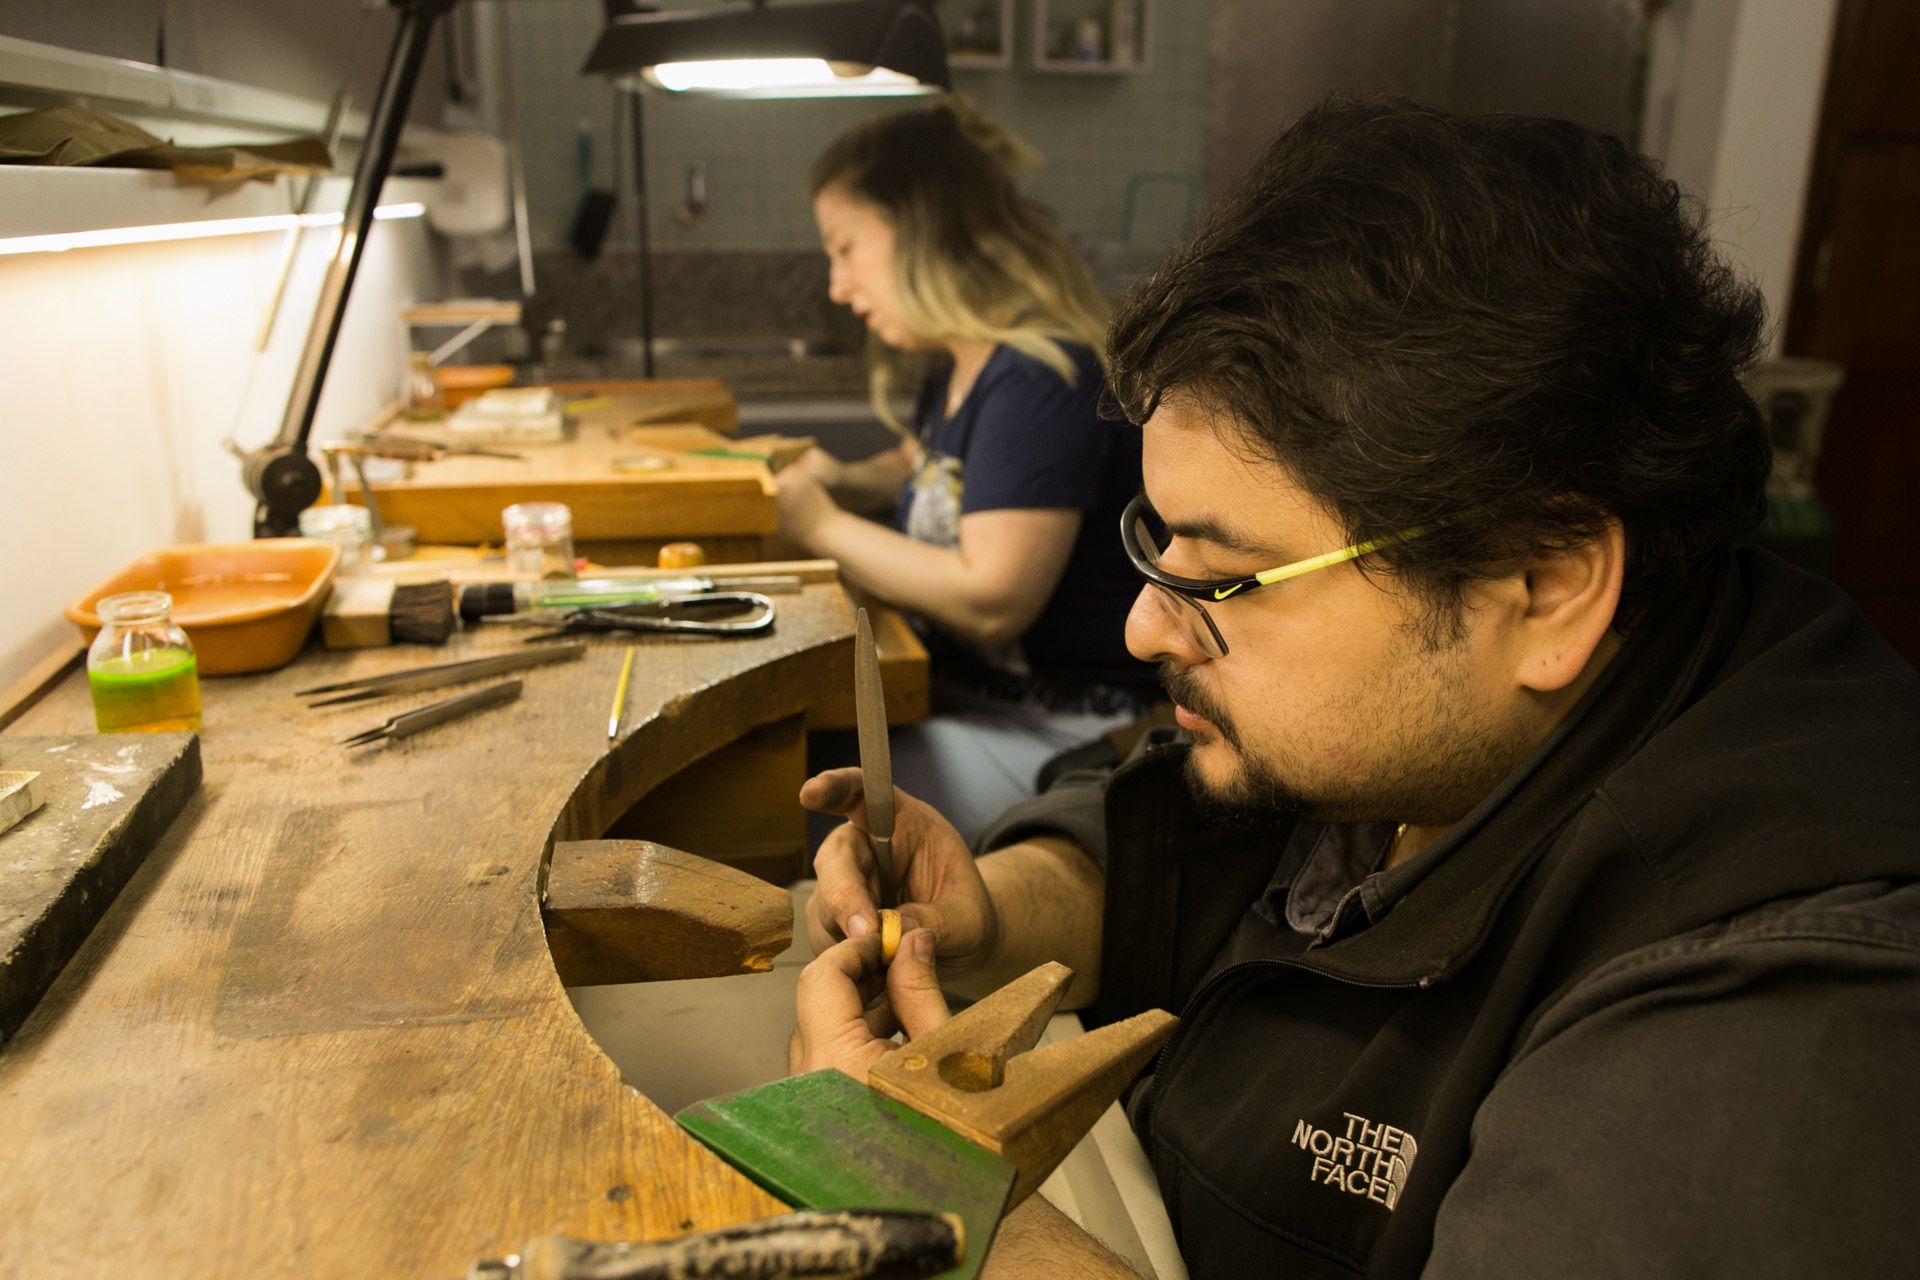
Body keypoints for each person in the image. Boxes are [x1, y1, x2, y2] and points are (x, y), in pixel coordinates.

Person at [786, 97, 1920, 1278]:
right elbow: (1203, 824)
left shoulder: (1769, 1030)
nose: (1141, 624)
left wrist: (913, 1190)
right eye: (1156, 541)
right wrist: (1002, 909)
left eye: (1225, 575)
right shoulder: (1433, 723)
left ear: (1543, 583)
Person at [776, 98, 1157, 845]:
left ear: (921, 233)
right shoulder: (968, 362)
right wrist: (848, 479)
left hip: (1068, 735)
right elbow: (930, 464)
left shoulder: (1038, 376)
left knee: (815, 798)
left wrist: (821, 523)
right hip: (975, 703)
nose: (837, 284)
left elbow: (992, 599)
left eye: (846, 248)